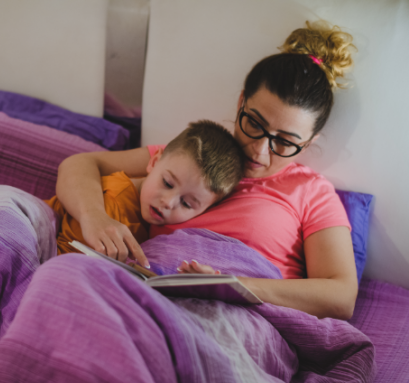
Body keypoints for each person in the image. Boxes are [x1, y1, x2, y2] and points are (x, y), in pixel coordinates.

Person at [54, 21, 358, 320]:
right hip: (149, 296)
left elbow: (341, 297)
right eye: (254, 123)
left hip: (238, 316)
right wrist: (93, 216)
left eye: (284, 142)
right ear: (241, 102)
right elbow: (80, 164)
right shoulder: (192, 156)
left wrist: (228, 286)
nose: (259, 150)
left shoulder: (312, 192)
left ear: (308, 143)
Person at [45, 120, 244, 261]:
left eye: (186, 203)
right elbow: (58, 260)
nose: (168, 202)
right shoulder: (114, 203)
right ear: (154, 161)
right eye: (167, 183)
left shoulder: (145, 221)